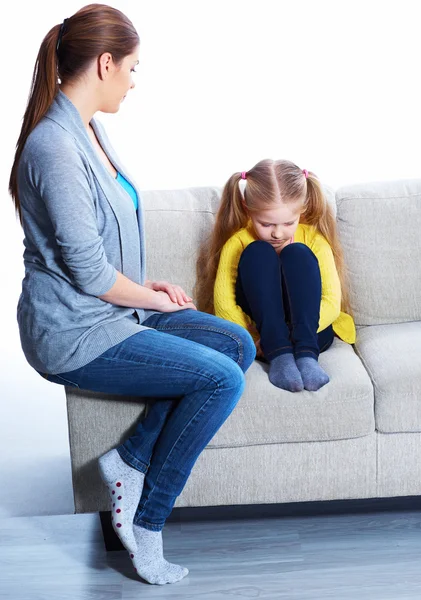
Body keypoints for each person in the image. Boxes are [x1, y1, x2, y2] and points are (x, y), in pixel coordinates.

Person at [9, 3, 256, 586]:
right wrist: (147, 299)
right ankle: (146, 521)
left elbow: (106, 244)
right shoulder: (54, 147)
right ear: (105, 63)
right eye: (133, 68)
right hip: (76, 333)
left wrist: (149, 290)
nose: (134, 81)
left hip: (117, 313)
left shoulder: (92, 130)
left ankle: (130, 459)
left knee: (236, 345)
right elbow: (90, 275)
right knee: (223, 378)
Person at [195, 159, 356, 393]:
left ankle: (305, 356)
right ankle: (280, 355)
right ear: (247, 208)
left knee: (297, 253)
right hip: (263, 337)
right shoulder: (238, 242)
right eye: (266, 224)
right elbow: (224, 305)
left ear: (303, 209)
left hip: (311, 333)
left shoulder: (314, 240)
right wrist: (256, 336)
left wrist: (297, 333)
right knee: (258, 252)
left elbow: (331, 301)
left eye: (288, 223)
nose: (277, 233)